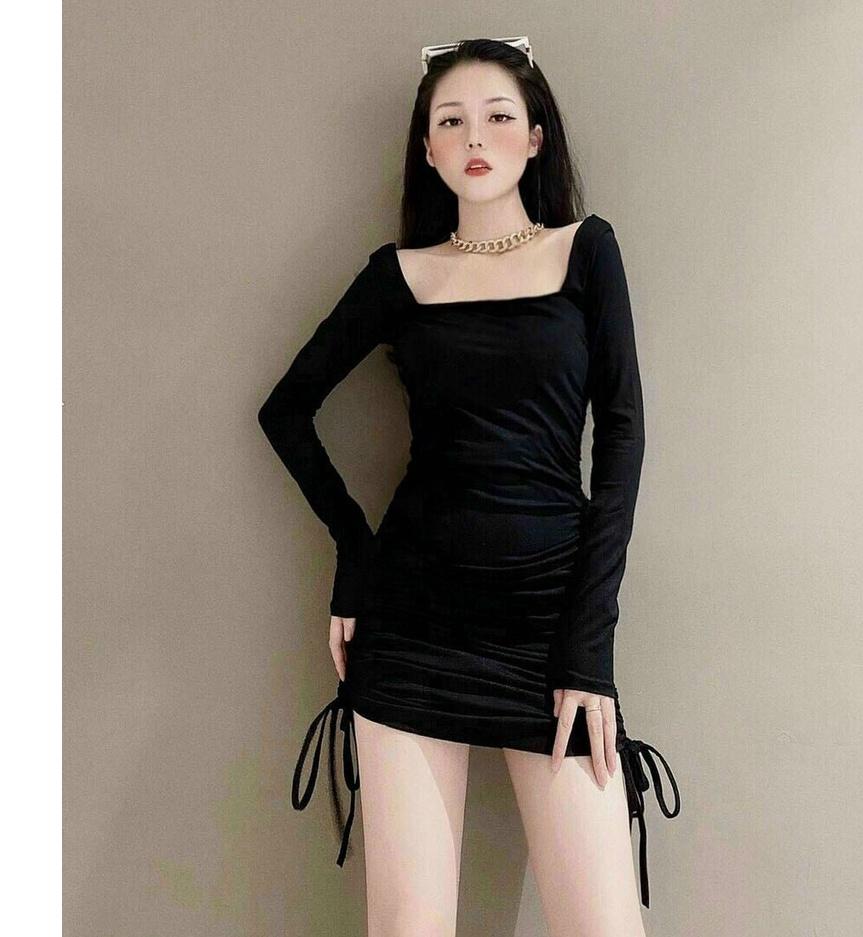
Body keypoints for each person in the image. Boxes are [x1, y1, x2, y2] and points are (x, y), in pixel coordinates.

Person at [257, 36, 680, 937]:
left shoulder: (585, 251)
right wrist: (355, 556)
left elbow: (623, 440)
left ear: (534, 137)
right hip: (410, 623)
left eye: (496, 116)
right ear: (427, 148)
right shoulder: (399, 275)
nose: (474, 136)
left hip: (550, 626)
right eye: (450, 121)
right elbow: (285, 410)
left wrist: (589, 646)